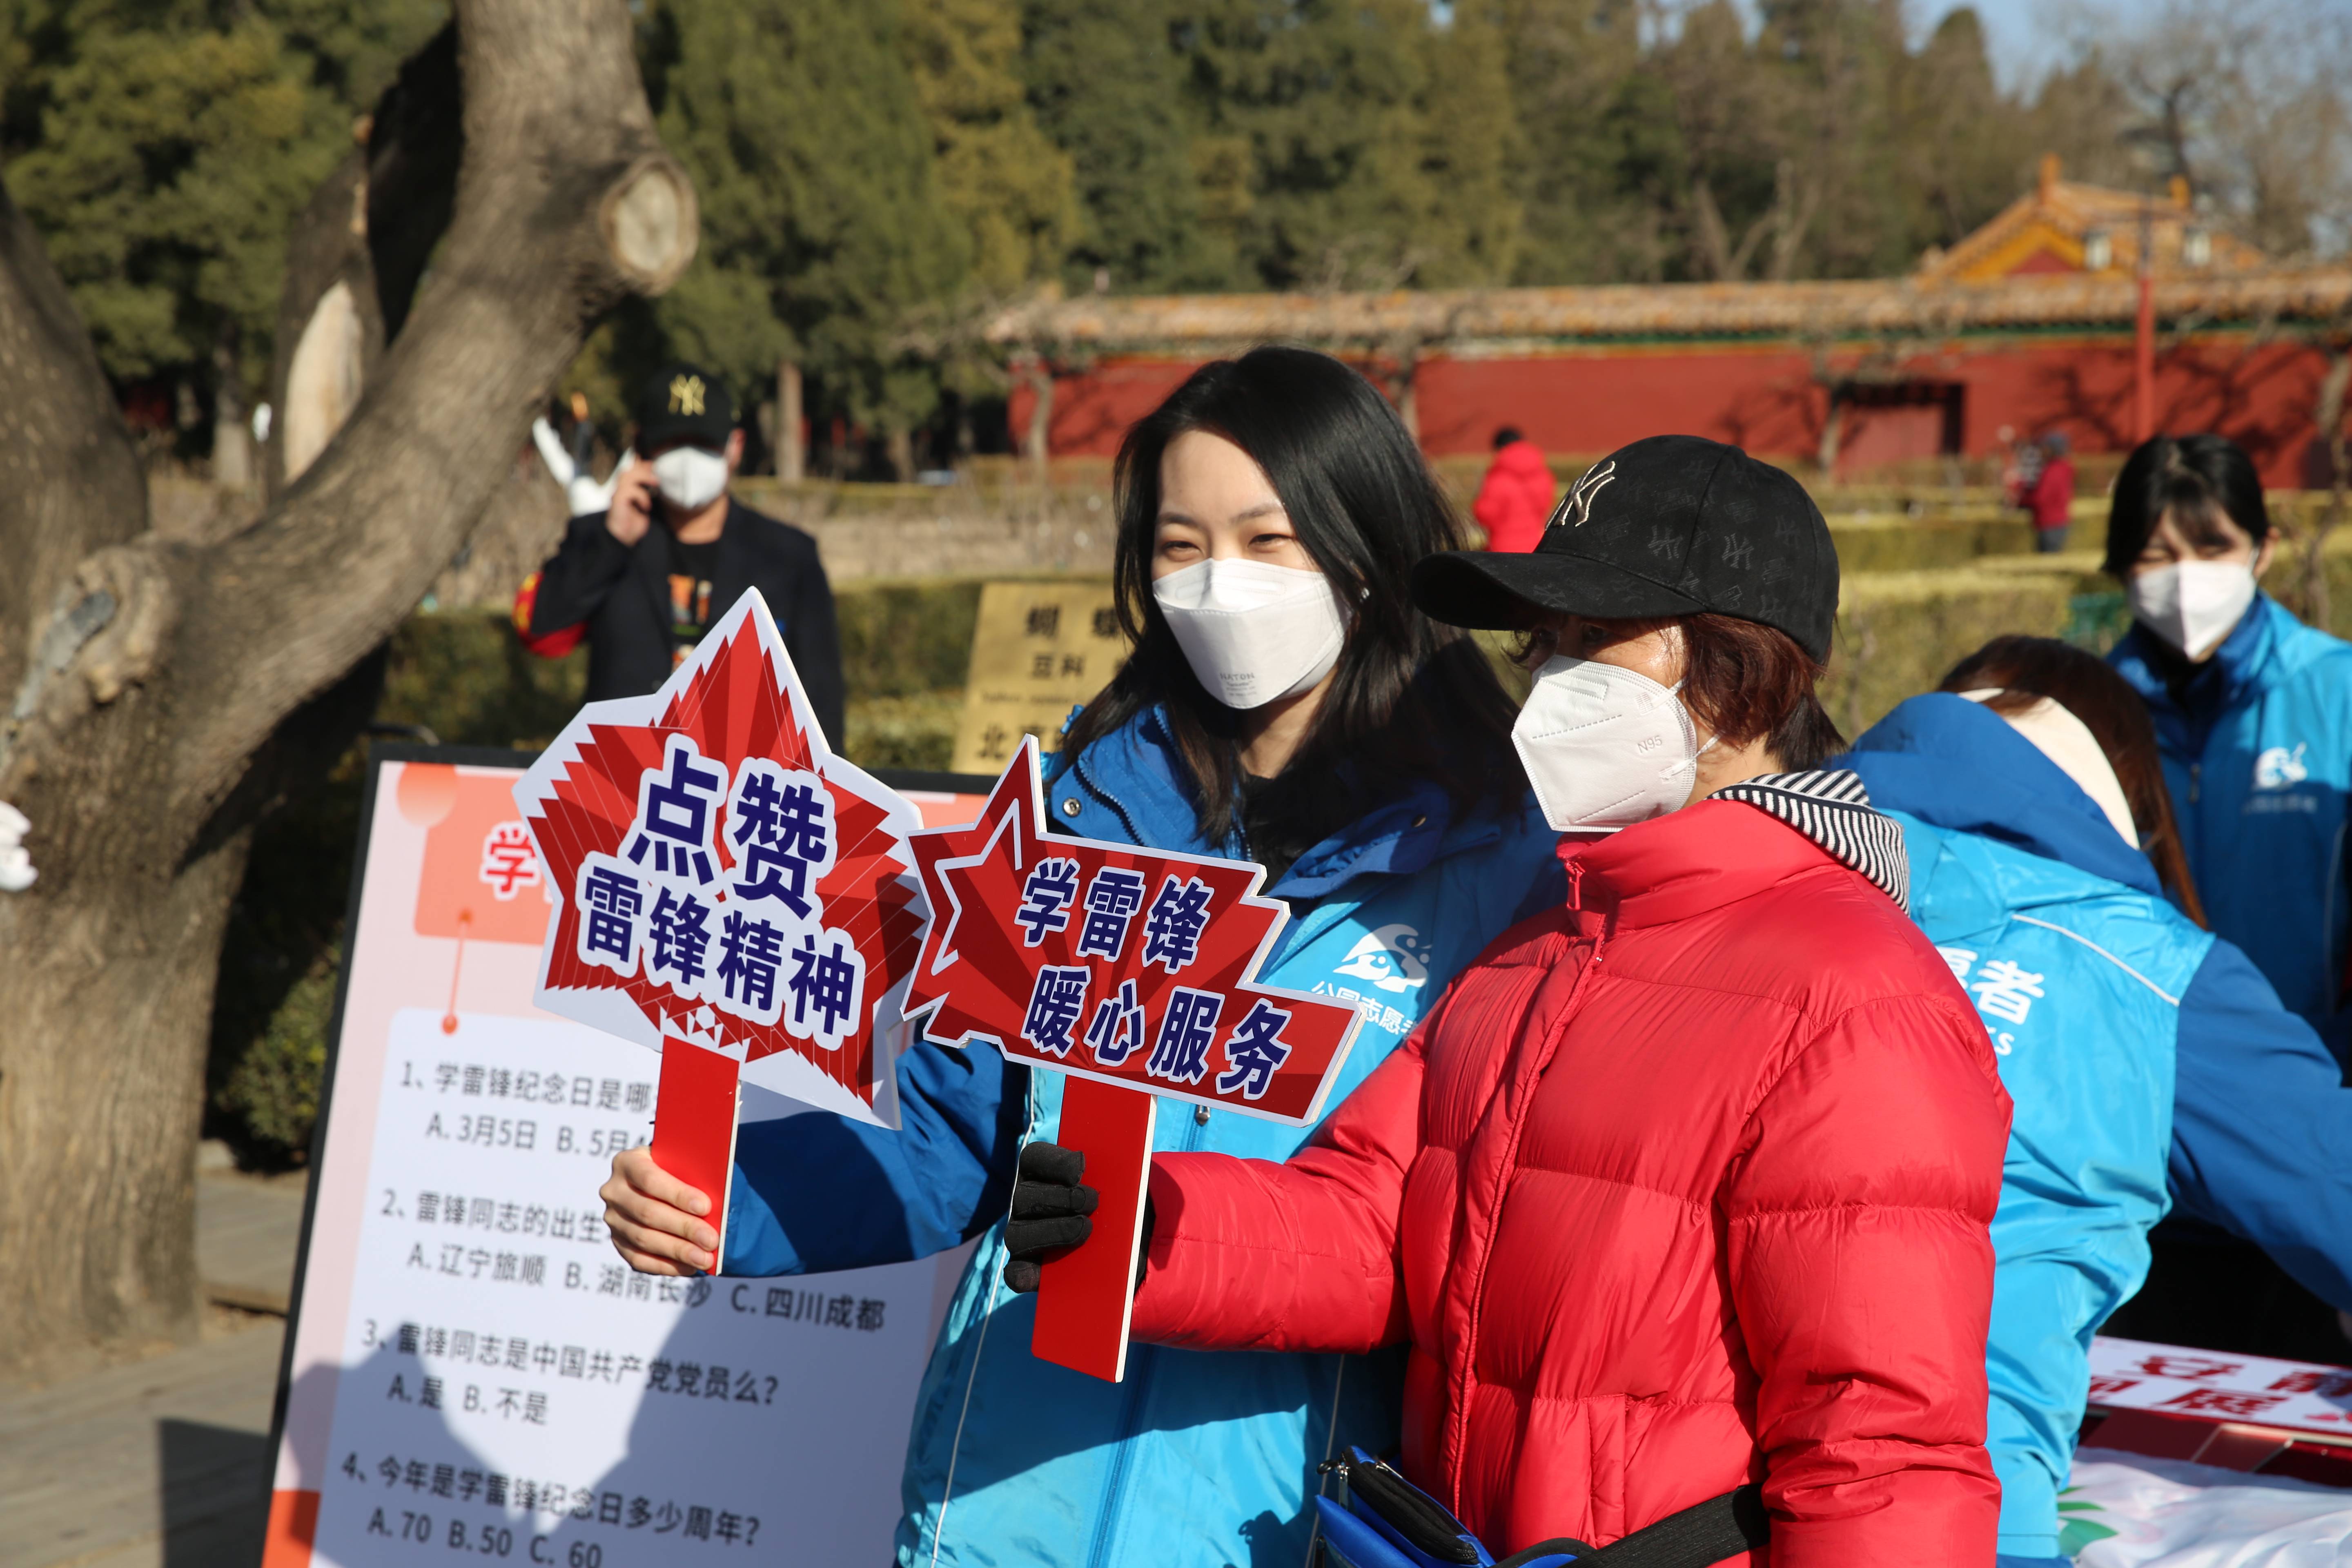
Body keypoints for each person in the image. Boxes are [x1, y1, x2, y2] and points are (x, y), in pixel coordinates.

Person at [598, 347, 1565, 1568]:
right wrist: (724, 1203)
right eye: (1179, 544)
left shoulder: (1502, 865)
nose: (1222, 583)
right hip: (1004, 1507)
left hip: (1278, 1523)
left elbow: (1473, 1249)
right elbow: (954, 1138)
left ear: (1365, 550)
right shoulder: (1070, 818)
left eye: (1269, 541)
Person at [1021, 433, 2015, 1562]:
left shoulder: (1855, 999)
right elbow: (1376, 1220)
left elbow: (1884, 1453)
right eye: (1543, 646)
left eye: (1595, 643)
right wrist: (1157, 1228)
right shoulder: (1539, 941)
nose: (1550, 681)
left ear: (1740, 673)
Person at [1841, 636, 2352, 1568]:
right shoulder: (2148, 971)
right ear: (2123, 793)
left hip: (1630, 1498)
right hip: (1950, 1516)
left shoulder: (1739, 870)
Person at [2105, 431, 2352, 1361]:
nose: (2183, 578)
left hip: (2304, 1142)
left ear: (2262, 545)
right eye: (2154, 555)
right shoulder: (2086, 712)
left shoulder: (2334, 694)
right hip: (2140, 1156)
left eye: (2207, 549)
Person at [516, 363, 845, 738]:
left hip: (738, 786)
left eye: (704, 444)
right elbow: (541, 632)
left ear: (734, 447)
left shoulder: (788, 555)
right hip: (621, 781)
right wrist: (612, 543)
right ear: (642, 448)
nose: (688, 459)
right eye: (671, 444)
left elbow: (820, 699)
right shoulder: (602, 537)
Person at [1469, 425, 1555, 553]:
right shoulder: (1542, 474)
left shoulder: (1498, 477)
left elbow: (1486, 514)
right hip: (1535, 545)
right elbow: (1545, 506)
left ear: (1500, 448)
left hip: (1503, 547)